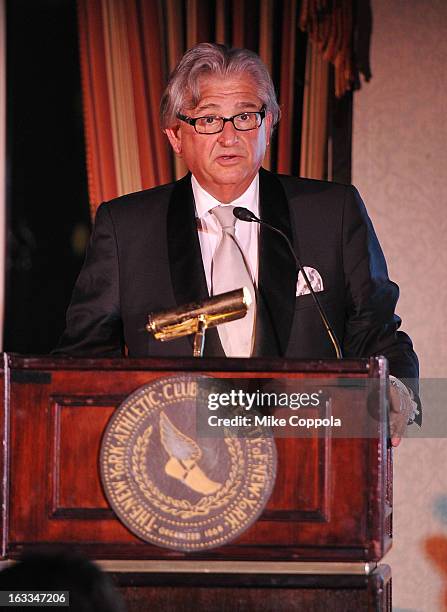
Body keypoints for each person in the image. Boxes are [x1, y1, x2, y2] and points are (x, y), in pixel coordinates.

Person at [54, 43, 420, 441]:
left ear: (269, 124)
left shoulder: (331, 212)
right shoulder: (127, 227)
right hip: (177, 471)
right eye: (209, 119)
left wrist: (395, 389)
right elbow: (84, 359)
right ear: (176, 136)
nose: (229, 136)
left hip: (307, 459)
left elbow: (377, 332)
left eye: (245, 117)